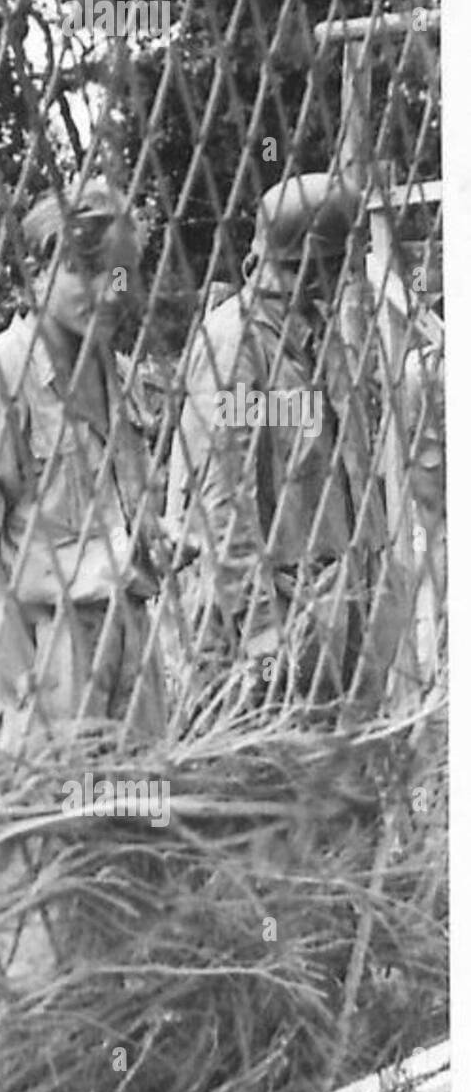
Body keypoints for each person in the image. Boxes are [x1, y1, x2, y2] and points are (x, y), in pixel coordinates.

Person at [0, 176, 167, 752]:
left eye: (121, 273)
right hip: (47, 655)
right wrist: (25, 692)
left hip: (131, 651)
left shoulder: (126, 378)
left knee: (139, 832)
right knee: (54, 836)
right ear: (35, 276)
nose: (111, 292)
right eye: (85, 272)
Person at [164, 171, 397, 723]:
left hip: (324, 600)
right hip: (258, 620)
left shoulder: (311, 336)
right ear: (319, 265)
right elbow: (225, 504)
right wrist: (262, 635)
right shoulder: (236, 344)